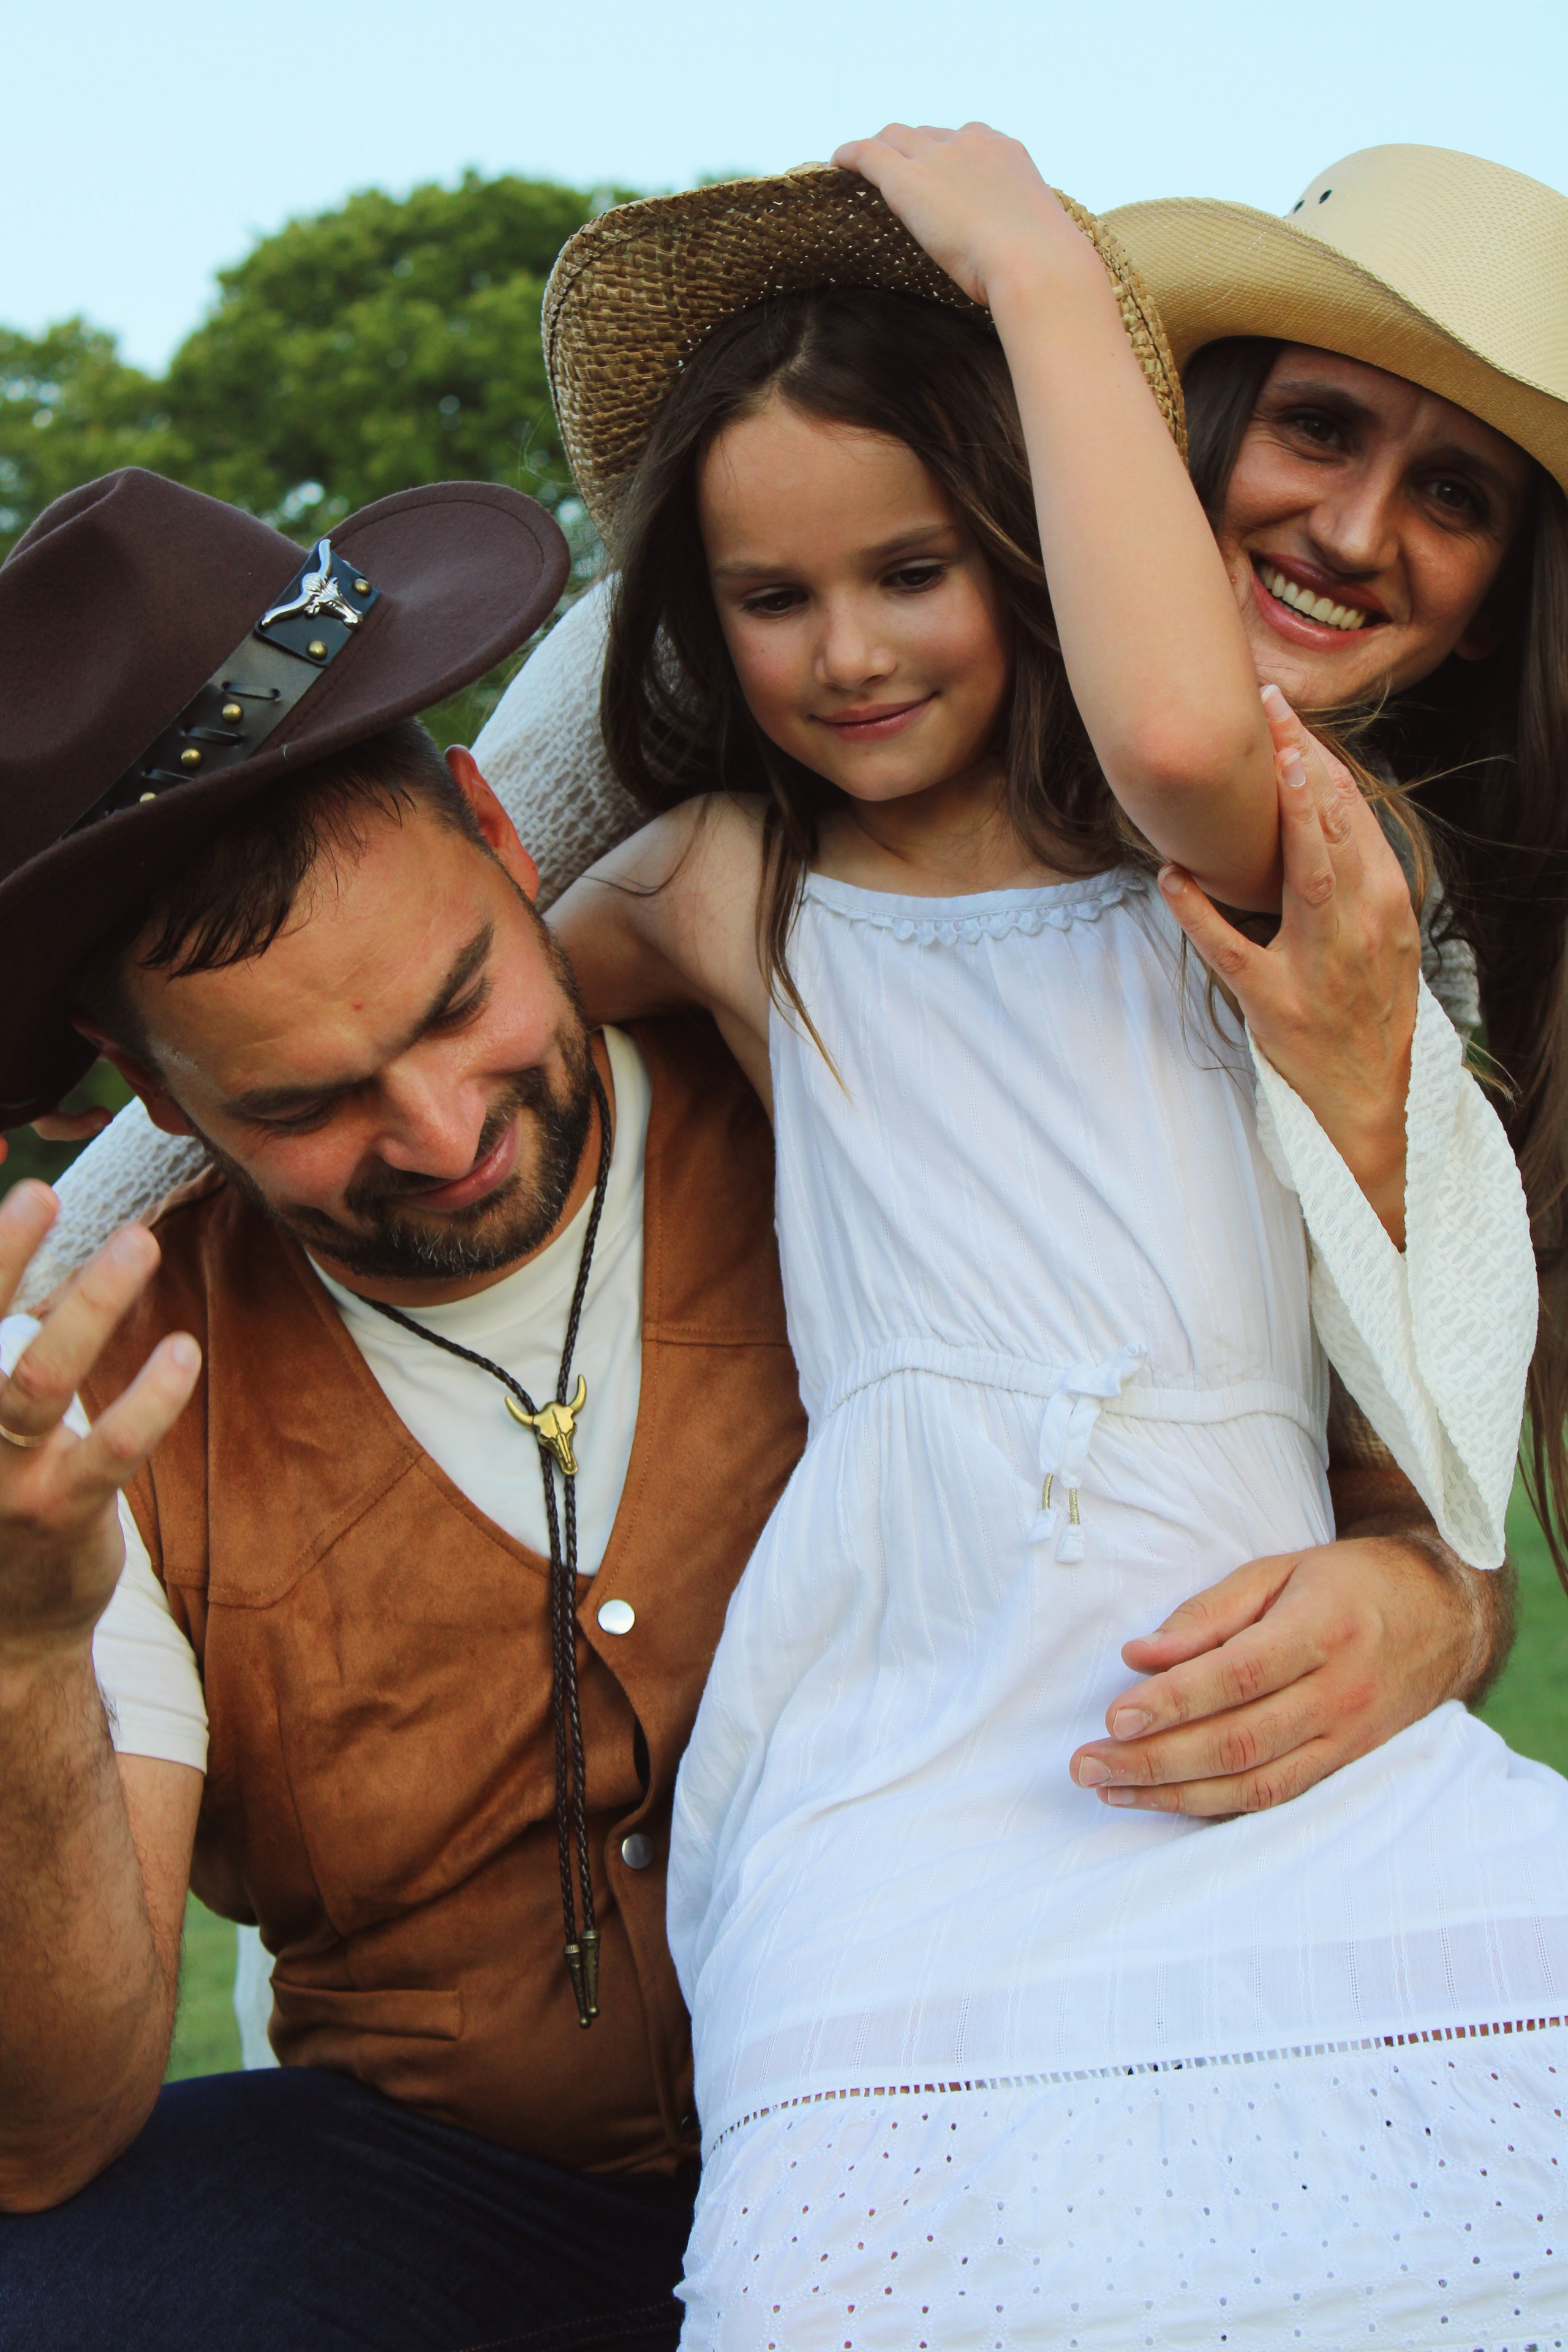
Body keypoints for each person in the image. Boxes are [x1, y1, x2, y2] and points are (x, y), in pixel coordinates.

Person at [526, 127, 1564, 2345]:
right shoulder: (733, 879)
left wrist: (1018, 251)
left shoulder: (1292, 843)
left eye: (915, 571)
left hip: (1252, 1687)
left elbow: (1174, 714)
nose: (847, 652)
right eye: (775, 600)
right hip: (907, 1709)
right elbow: (440, 991)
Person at [0, 468, 805, 2350]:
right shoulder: (94, 1419)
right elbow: (48, 2140)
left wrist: (1434, 1596)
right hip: (450, 2225)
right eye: (302, 1103)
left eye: (459, 1005)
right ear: (156, 1099)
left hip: (963, 2106)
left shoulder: (825, 1065)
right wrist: (28, 1652)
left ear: (499, 829)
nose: (443, 1137)